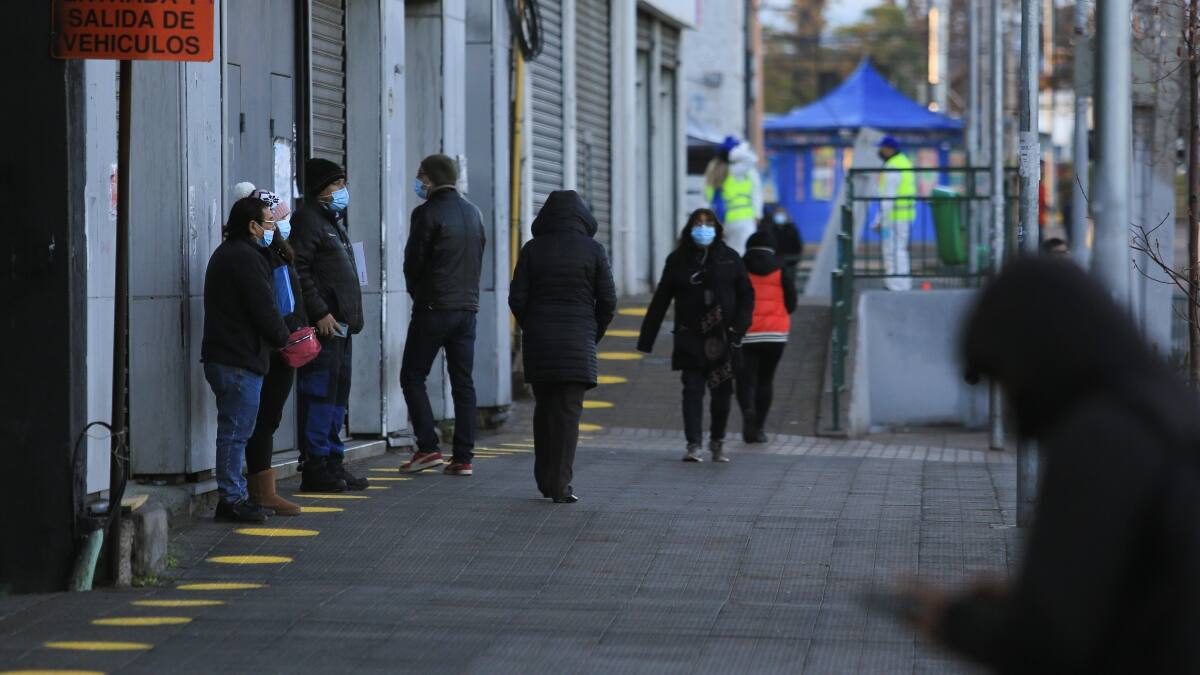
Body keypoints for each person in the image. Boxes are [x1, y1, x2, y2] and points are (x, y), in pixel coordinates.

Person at [894, 258, 1200, 673]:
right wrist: (1028, 595)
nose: (1007, 398)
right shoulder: (1169, 412)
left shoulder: (1102, 436)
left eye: (1003, 377)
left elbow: (1049, 642)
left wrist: (954, 621)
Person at [509, 190, 616, 503]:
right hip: (578, 343)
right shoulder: (594, 250)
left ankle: (545, 481)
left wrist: (534, 327)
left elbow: (517, 297)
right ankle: (561, 486)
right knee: (568, 417)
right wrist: (592, 333)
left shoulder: (532, 249)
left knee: (544, 412)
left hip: (541, 343)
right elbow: (608, 300)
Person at [638, 209, 754, 463]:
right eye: (698, 224)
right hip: (690, 337)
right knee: (692, 390)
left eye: (708, 223)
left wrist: (739, 327)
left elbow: (747, 294)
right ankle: (694, 444)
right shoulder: (678, 260)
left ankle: (718, 440)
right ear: (690, 228)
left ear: (717, 228)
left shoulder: (730, 258)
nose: (703, 228)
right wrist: (646, 339)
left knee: (723, 394)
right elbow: (661, 299)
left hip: (723, 339)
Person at [201, 197, 291, 523]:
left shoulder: (233, 254)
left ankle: (235, 494)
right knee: (236, 431)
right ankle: (231, 499)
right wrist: (285, 339)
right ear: (252, 226)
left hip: (231, 355)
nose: (273, 227)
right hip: (237, 359)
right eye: (268, 221)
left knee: (236, 429)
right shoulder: (245, 258)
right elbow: (264, 308)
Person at [399, 154, 486, 476]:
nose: (418, 181)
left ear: (432, 178)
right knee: (463, 382)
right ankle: (463, 457)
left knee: (412, 376)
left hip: (433, 308)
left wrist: (418, 293)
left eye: (421, 175)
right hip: (467, 309)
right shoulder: (474, 213)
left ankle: (427, 448)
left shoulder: (427, 212)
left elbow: (414, 261)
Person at [228, 185, 306, 516]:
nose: (280, 224)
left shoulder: (278, 252)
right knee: (260, 420)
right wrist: (285, 335)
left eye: (282, 218)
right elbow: (270, 305)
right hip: (272, 346)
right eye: (274, 219)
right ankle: (259, 491)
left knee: (269, 418)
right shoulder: (256, 256)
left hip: (284, 343)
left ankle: (263, 489)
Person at [290, 158, 365, 492]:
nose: (342, 190)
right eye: (336, 184)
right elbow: (299, 270)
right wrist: (319, 311)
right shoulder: (307, 220)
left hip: (342, 327)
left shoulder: (331, 221)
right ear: (319, 187)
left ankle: (334, 461)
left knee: (338, 394)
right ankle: (316, 465)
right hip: (325, 326)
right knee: (320, 392)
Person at [737, 231, 796, 443]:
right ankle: (759, 428)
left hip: (746, 333)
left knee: (745, 380)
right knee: (765, 380)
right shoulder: (781, 268)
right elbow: (792, 304)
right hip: (775, 334)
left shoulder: (740, 267)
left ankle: (748, 413)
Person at [871, 136, 916, 291]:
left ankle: (897, 286)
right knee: (899, 251)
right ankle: (900, 284)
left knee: (893, 252)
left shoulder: (893, 166)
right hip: (901, 216)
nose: (880, 151)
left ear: (890, 149)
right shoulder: (904, 162)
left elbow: (888, 197)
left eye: (882, 148)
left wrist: (879, 220)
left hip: (893, 218)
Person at [704, 136, 763, 255]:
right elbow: (751, 159)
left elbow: (706, 201)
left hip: (723, 220)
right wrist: (736, 150)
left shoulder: (713, 172)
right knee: (742, 255)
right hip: (743, 220)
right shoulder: (735, 171)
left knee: (728, 254)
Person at [762, 203, 803, 277]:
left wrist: (794, 260)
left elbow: (797, 245)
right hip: (774, 263)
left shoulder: (792, 229)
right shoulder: (770, 229)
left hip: (789, 263)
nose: (779, 216)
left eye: (781, 214)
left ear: (786, 216)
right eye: (777, 214)